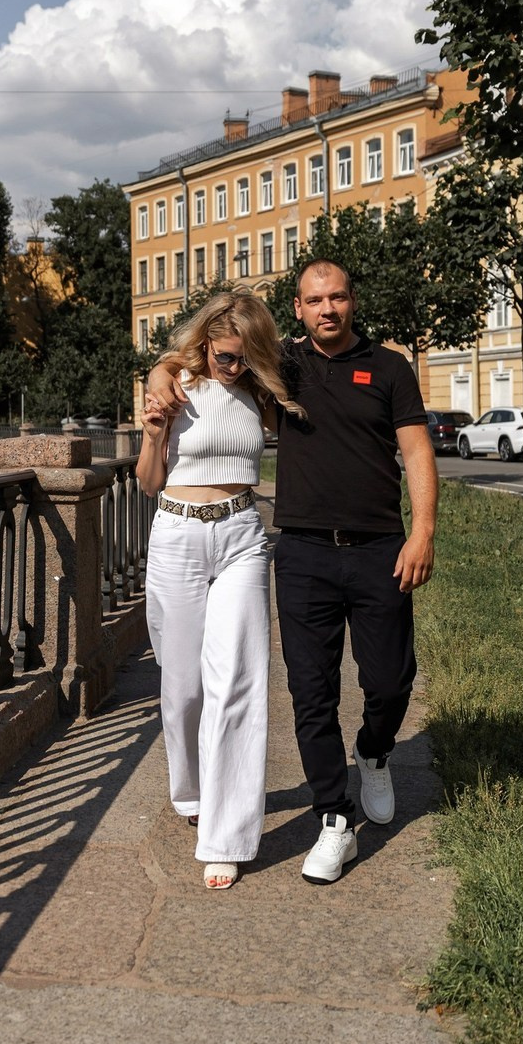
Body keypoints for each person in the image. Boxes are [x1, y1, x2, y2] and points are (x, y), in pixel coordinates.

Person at [148, 260, 437, 885]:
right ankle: (333, 817)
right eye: (313, 300)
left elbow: (416, 449)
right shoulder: (279, 365)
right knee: (307, 691)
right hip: (301, 550)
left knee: (388, 680)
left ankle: (375, 750)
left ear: (351, 301)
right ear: (299, 310)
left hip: (375, 544)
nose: (326, 308)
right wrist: (161, 371)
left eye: (336, 297)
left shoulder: (387, 367)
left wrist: (423, 530)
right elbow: (202, 357)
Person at [137, 288, 303, 889]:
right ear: (205, 340)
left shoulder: (259, 392)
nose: (227, 366)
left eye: (240, 358)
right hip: (178, 535)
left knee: (237, 680)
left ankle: (227, 836)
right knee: (182, 689)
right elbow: (149, 483)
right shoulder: (173, 384)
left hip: (241, 535)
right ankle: (190, 791)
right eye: (220, 353)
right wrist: (155, 431)